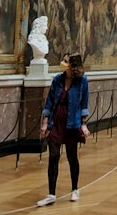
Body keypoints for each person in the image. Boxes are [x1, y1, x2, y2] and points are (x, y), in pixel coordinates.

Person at [37, 51, 89, 205]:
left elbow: (84, 104)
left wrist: (84, 124)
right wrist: (45, 122)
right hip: (56, 122)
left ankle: (75, 189)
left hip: (72, 123)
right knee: (53, 157)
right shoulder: (57, 80)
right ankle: (51, 194)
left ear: (73, 65)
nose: (63, 63)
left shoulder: (82, 82)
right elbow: (49, 102)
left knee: (72, 156)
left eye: (66, 61)